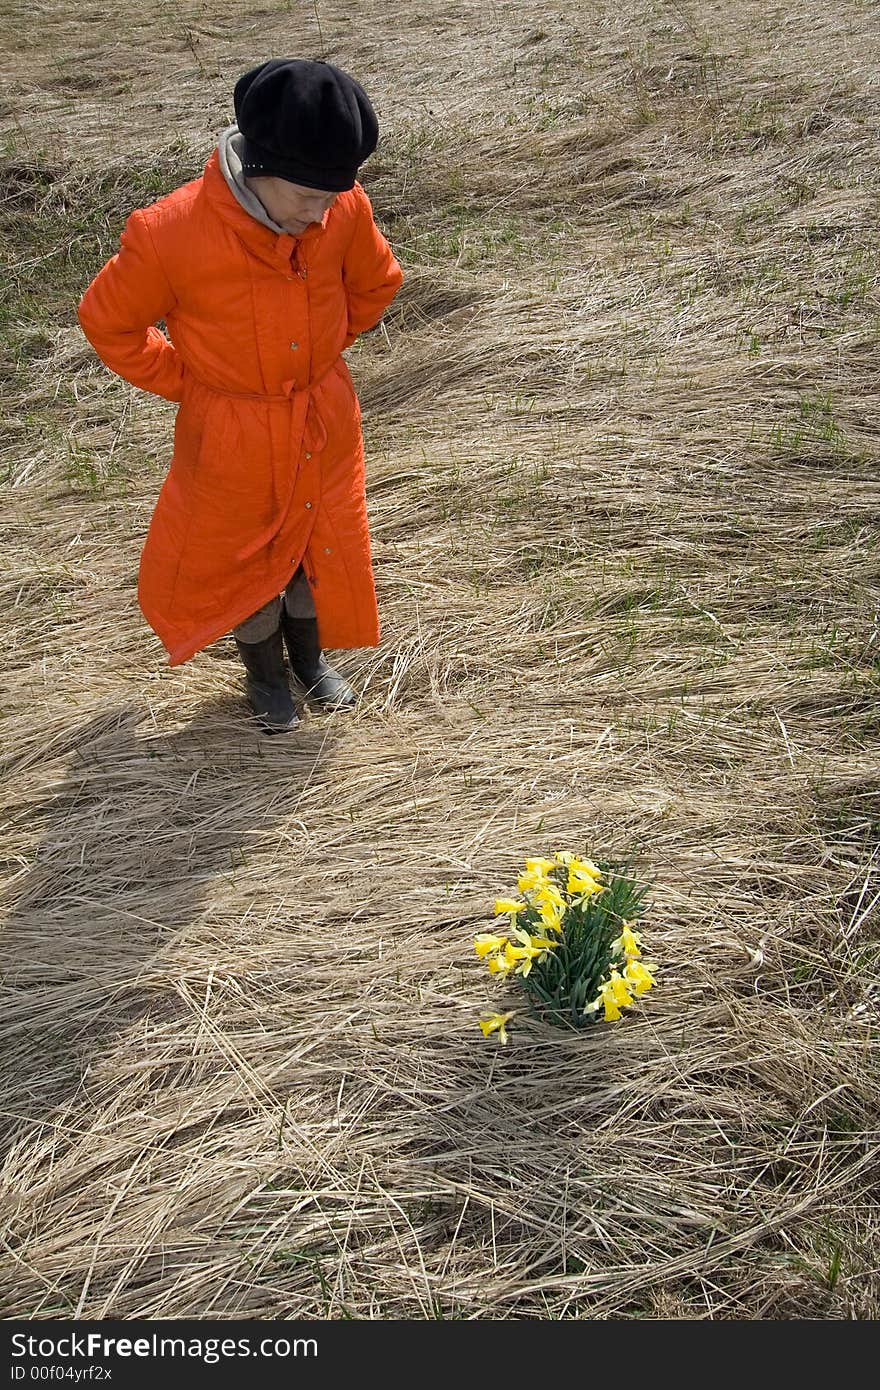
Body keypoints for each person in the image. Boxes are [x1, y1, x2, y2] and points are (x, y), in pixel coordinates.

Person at [77, 58, 403, 731]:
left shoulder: (341, 206)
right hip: (230, 436)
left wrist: (324, 348)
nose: (321, 213)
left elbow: (377, 283)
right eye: (306, 197)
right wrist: (193, 381)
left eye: (332, 196)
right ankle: (264, 677)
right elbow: (108, 322)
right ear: (259, 167)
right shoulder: (169, 233)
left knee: (318, 552)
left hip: (322, 418)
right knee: (245, 564)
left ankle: (311, 663)